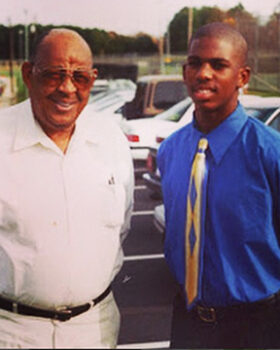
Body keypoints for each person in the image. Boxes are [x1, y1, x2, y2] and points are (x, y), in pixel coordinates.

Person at [0, 28, 134, 348]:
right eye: (54, 75)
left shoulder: (111, 139)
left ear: (93, 79)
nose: (67, 88)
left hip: (96, 329)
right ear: (28, 75)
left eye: (80, 77)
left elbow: (123, 226)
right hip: (14, 332)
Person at [157, 22, 280, 348]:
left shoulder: (270, 151)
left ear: (242, 76)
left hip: (258, 326)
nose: (204, 73)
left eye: (219, 65)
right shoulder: (170, 151)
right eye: (195, 63)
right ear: (184, 72)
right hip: (188, 323)